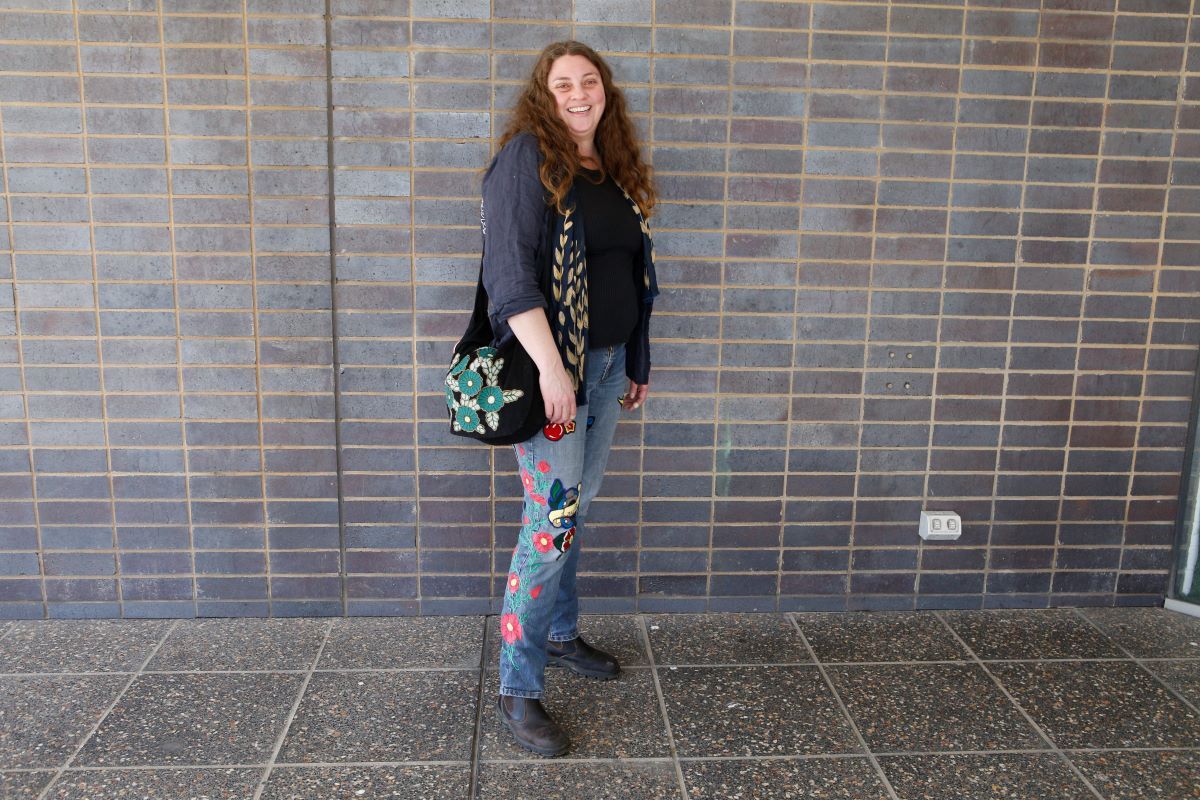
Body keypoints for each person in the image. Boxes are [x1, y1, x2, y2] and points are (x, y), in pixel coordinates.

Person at [479, 40, 659, 757]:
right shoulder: (528, 160)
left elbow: (634, 276)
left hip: (609, 369)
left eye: (590, 82)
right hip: (557, 375)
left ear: (604, 92)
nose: (579, 93)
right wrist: (553, 370)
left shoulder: (609, 170)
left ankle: (558, 635)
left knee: (571, 511)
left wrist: (635, 361)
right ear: (543, 95)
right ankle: (516, 690)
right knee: (549, 526)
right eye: (563, 84)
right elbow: (511, 280)